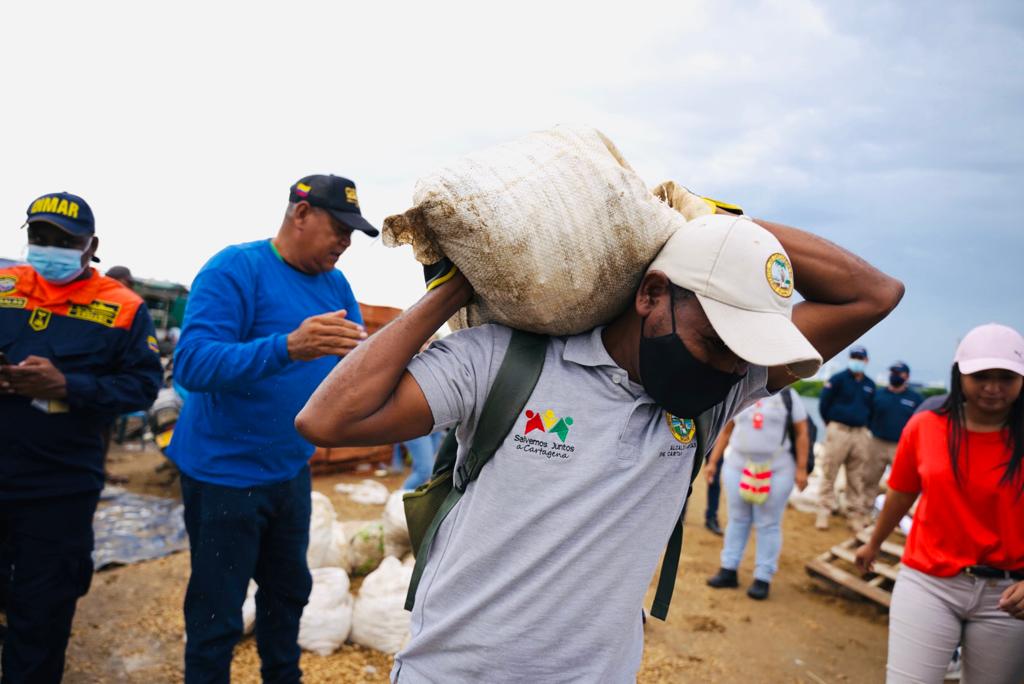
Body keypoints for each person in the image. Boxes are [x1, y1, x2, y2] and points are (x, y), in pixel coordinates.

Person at [297, 207, 904, 682]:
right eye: (715, 340)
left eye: (742, 353)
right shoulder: (506, 362)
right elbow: (328, 421)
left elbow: (874, 294)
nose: (729, 367)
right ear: (651, 294)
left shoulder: (718, 393)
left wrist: (717, 226)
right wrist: (456, 289)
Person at [168, 175, 377, 683]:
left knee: (287, 595)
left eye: (354, 233)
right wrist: (286, 346)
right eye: (339, 228)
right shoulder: (235, 269)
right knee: (217, 610)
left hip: (288, 470)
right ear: (300, 214)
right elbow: (192, 364)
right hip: (223, 476)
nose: (346, 242)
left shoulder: (335, 285)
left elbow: (359, 360)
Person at [0, 192, 162, 682]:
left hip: (59, 491)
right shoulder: (4, 285)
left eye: (64, 241)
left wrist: (67, 385)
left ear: (91, 245)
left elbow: (143, 387)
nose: (49, 248)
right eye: (39, 237)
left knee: (41, 618)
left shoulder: (124, 309)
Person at [856, 323, 1024, 683]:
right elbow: (902, 492)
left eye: (1006, 377)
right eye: (981, 376)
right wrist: (874, 543)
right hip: (928, 582)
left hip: (1008, 598)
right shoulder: (926, 427)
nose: (993, 388)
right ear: (959, 374)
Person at [705, 388, 809, 599]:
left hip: (776, 468)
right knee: (737, 518)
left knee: (768, 522)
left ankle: (763, 576)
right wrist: (713, 462)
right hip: (738, 465)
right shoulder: (742, 390)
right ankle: (728, 568)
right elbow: (726, 430)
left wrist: (801, 467)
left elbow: (801, 432)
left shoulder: (788, 396)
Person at [816, 345, 875, 531]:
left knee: (856, 476)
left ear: (866, 361)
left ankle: (854, 514)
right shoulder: (838, 379)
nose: (857, 361)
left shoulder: (870, 385)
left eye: (860, 358)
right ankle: (824, 511)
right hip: (839, 430)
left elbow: (872, 409)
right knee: (829, 471)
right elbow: (824, 403)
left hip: (860, 433)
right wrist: (831, 424)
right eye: (854, 357)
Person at [860, 361, 922, 519]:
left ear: (906, 376)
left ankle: (892, 518)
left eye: (898, 373)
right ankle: (864, 513)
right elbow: (867, 415)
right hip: (877, 443)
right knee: (869, 479)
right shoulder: (879, 394)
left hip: (900, 446)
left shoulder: (915, 399)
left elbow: (920, 423)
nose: (894, 376)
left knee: (900, 485)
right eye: (892, 372)